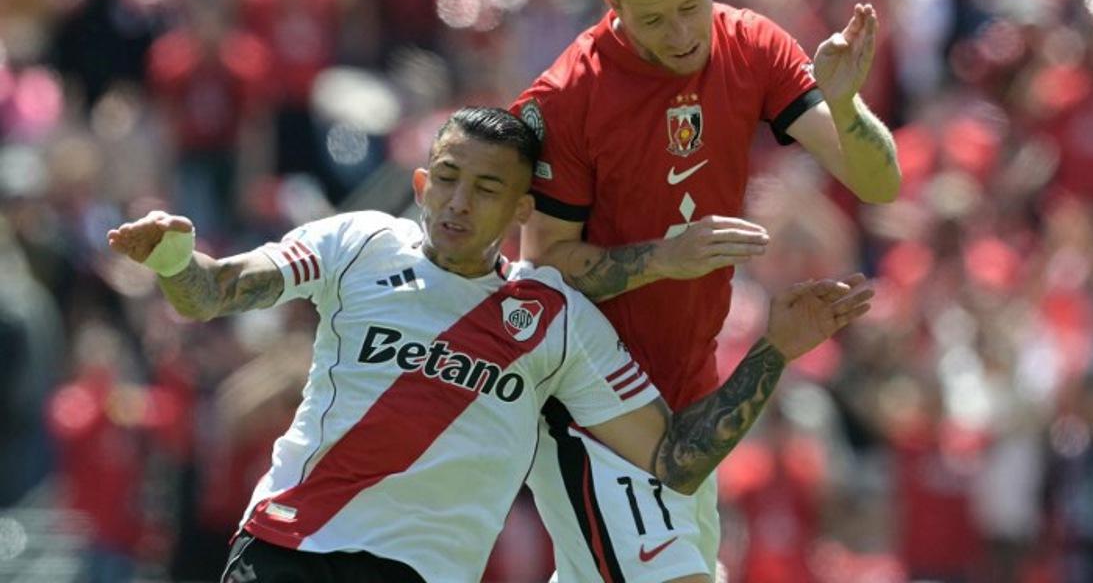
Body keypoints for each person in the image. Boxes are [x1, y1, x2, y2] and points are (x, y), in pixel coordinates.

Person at [106, 107, 873, 583]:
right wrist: (174, 257)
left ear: (520, 209)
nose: (458, 203)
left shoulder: (553, 316)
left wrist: (772, 350)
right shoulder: (360, 242)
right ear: (419, 183)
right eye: (447, 179)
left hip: (420, 574)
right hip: (288, 546)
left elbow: (677, 459)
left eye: (484, 189)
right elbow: (211, 293)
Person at [510, 0, 901, 582]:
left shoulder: (752, 45)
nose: (682, 33)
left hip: (691, 396)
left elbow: (878, 183)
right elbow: (542, 272)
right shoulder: (568, 95)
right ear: (614, 6)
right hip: (591, 404)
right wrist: (664, 258)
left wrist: (843, 102)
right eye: (653, 19)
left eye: (690, 6)